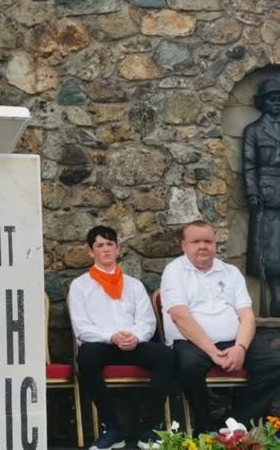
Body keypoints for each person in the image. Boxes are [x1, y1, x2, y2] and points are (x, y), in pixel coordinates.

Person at [160, 220, 280, 434]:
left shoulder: (230, 272)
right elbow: (180, 316)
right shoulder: (174, 271)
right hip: (191, 342)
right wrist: (212, 351)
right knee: (188, 367)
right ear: (184, 245)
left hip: (233, 339)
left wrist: (240, 347)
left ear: (215, 244)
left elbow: (247, 315)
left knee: (274, 364)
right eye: (195, 241)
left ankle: (234, 424)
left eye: (208, 241)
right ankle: (204, 426)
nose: (203, 246)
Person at [69, 225, 174, 450]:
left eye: (110, 244)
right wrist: (112, 336)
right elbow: (81, 327)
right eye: (99, 245)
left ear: (118, 249)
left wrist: (134, 337)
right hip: (102, 346)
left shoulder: (134, 285)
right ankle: (113, 429)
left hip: (133, 344)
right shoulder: (80, 286)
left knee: (166, 356)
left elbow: (147, 321)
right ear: (91, 252)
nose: (105, 249)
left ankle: (150, 430)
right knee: (85, 356)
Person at [242, 78, 280, 317]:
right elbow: (248, 165)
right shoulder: (254, 130)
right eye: (272, 99)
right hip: (266, 196)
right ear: (262, 103)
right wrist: (253, 193)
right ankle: (273, 302)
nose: (277, 103)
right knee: (268, 251)